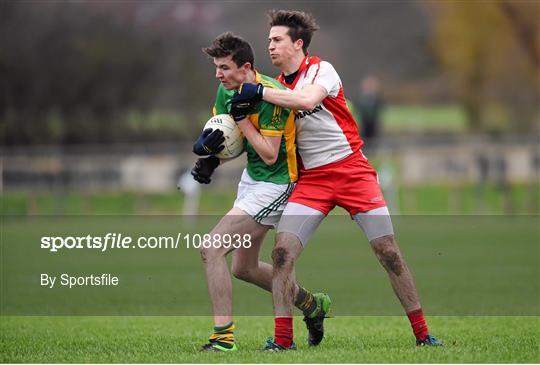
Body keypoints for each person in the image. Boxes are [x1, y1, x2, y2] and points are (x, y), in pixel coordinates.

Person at [232, 10, 442, 350]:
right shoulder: (271, 86)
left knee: (387, 251)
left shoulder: (320, 69)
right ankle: (283, 341)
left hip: (352, 172)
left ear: (297, 44)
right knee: (283, 253)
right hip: (311, 181)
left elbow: (306, 100)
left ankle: (423, 335)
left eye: (277, 40)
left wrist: (257, 93)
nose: (269, 46)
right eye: (268, 40)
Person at [191, 32, 331, 352]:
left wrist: (242, 120)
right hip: (252, 181)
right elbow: (231, 135)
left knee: (211, 248)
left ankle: (223, 339)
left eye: (225, 67)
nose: (218, 74)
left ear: (246, 67)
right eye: (216, 67)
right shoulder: (226, 89)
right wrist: (212, 161)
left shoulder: (272, 95)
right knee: (244, 269)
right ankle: (312, 304)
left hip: (278, 184)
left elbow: (269, 152)